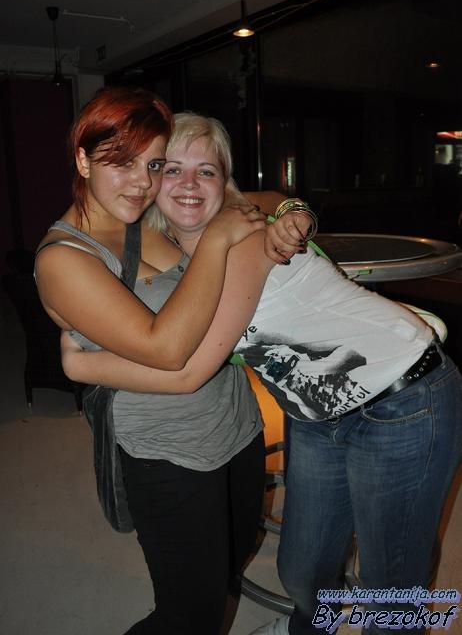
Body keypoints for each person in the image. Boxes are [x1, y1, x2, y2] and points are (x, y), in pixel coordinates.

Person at [63, 111, 462, 635]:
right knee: (302, 571)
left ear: (225, 182)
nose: (189, 184)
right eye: (172, 168)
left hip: (403, 398)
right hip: (316, 413)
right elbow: (273, 196)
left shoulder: (244, 238)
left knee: (391, 582)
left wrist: (80, 363)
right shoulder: (177, 245)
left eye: (206, 171)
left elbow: (190, 363)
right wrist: (292, 207)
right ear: (152, 177)